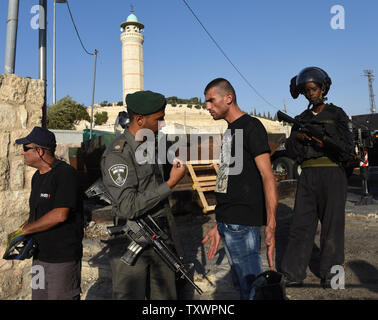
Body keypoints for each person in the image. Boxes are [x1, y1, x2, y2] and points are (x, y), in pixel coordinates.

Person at [101, 90, 186, 300]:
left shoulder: (149, 147)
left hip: (159, 236)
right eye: (159, 119)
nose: (163, 124)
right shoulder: (118, 154)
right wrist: (170, 183)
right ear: (139, 119)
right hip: (132, 238)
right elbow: (128, 206)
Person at [201, 78, 278, 300]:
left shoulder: (251, 127)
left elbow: (268, 176)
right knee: (243, 288)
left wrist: (271, 224)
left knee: (253, 291)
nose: (207, 106)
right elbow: (227, 181)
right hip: (229, 223)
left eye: (210, 100)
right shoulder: (229, 131)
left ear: (228, 98)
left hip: (243, 224)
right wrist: (220, 223)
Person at [279, 67, 355, 288]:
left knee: (333, 228)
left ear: (323, 88)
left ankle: (334, 277)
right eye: (306, 90)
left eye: (313, 89)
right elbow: (290, 150)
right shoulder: (301, 118)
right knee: (300, 225)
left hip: (332, 174)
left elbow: (348, 149)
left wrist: (326, 143)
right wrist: (300, 138)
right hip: (308, 175)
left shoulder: (336, 114)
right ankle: (292, 274)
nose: (310, 93)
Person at [10, 127, 84, 300]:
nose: (22, 152)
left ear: (40, 151)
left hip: (61, 260)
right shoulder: (37, 176)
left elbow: (60, 214)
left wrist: (27, 229)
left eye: (26, 148)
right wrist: (18, 236)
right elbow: (36, 216)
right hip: (39, 258)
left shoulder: (65, 174)